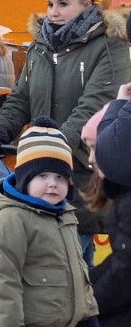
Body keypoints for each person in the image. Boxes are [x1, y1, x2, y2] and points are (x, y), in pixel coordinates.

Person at [0, 0, 131, 254]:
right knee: (43, 268)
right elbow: (21, 98)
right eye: (49, 5)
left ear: (87, 6)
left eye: (63, 4)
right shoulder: (40, 47)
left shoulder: (110, 46)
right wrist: (1, 128)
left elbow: (95, 105)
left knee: (76, 263)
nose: (53, 13)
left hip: (84, 170)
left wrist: (54, 143)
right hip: (40, 171)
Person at [0, 118, 99, 327]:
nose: (53, 184)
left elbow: (78, 268)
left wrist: (89, 312)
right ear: (25, 179)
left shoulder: (65, 213)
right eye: (42, 175)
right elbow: (3, 283)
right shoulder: (11, 219)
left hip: (77, 319)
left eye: (60, 177)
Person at [81, 100, 131, 327]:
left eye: (95, 147)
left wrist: (86, 304)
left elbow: (123, 273)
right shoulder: (122, 195)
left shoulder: (126, 201)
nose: (91, 158)